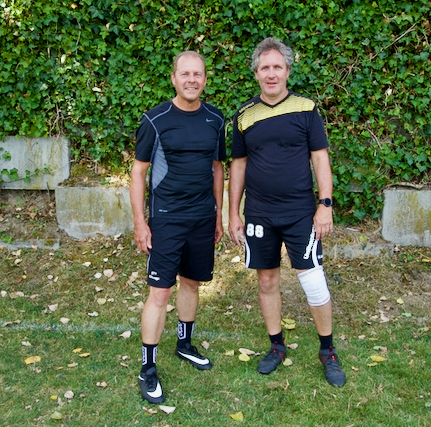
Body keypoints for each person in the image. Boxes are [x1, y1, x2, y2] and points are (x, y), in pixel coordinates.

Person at [228, 37, 346, 387]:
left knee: (312, 278)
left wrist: (325, 204)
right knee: (266, 280)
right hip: (260, 214)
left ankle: (328, 351)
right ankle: (276, 346)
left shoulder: (306, 108)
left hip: (300, 213)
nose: (271, 73)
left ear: (288, 71)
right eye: (265, 67)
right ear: (256, 73)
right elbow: (238, 166)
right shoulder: (244, 115)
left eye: (277, 67)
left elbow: (320, 158)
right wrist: (233, 213)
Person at [129, 50, 226, 403]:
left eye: (197, 74)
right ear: (173, 78)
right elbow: (138, 172)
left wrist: (218, 214)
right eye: (185, 74)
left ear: (205, 79)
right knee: (160, 293)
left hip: (202, 217)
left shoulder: (216, 119)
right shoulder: (155, 120)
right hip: (167, 219)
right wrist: (140, 222)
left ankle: (184, 344)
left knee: (192, 282)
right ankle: (148, 368)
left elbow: (218, 168)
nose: (191, 80)